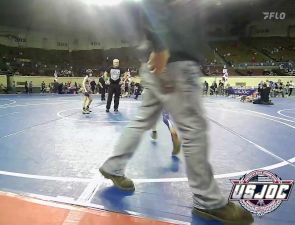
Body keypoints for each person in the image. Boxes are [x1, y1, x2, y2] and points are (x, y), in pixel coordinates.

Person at [99, 1, 253, 224]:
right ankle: (208, 200)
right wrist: (160, 45)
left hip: (159, 60)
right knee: (193, 129)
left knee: (143, 119)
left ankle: (113, 166)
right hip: (174, 60)